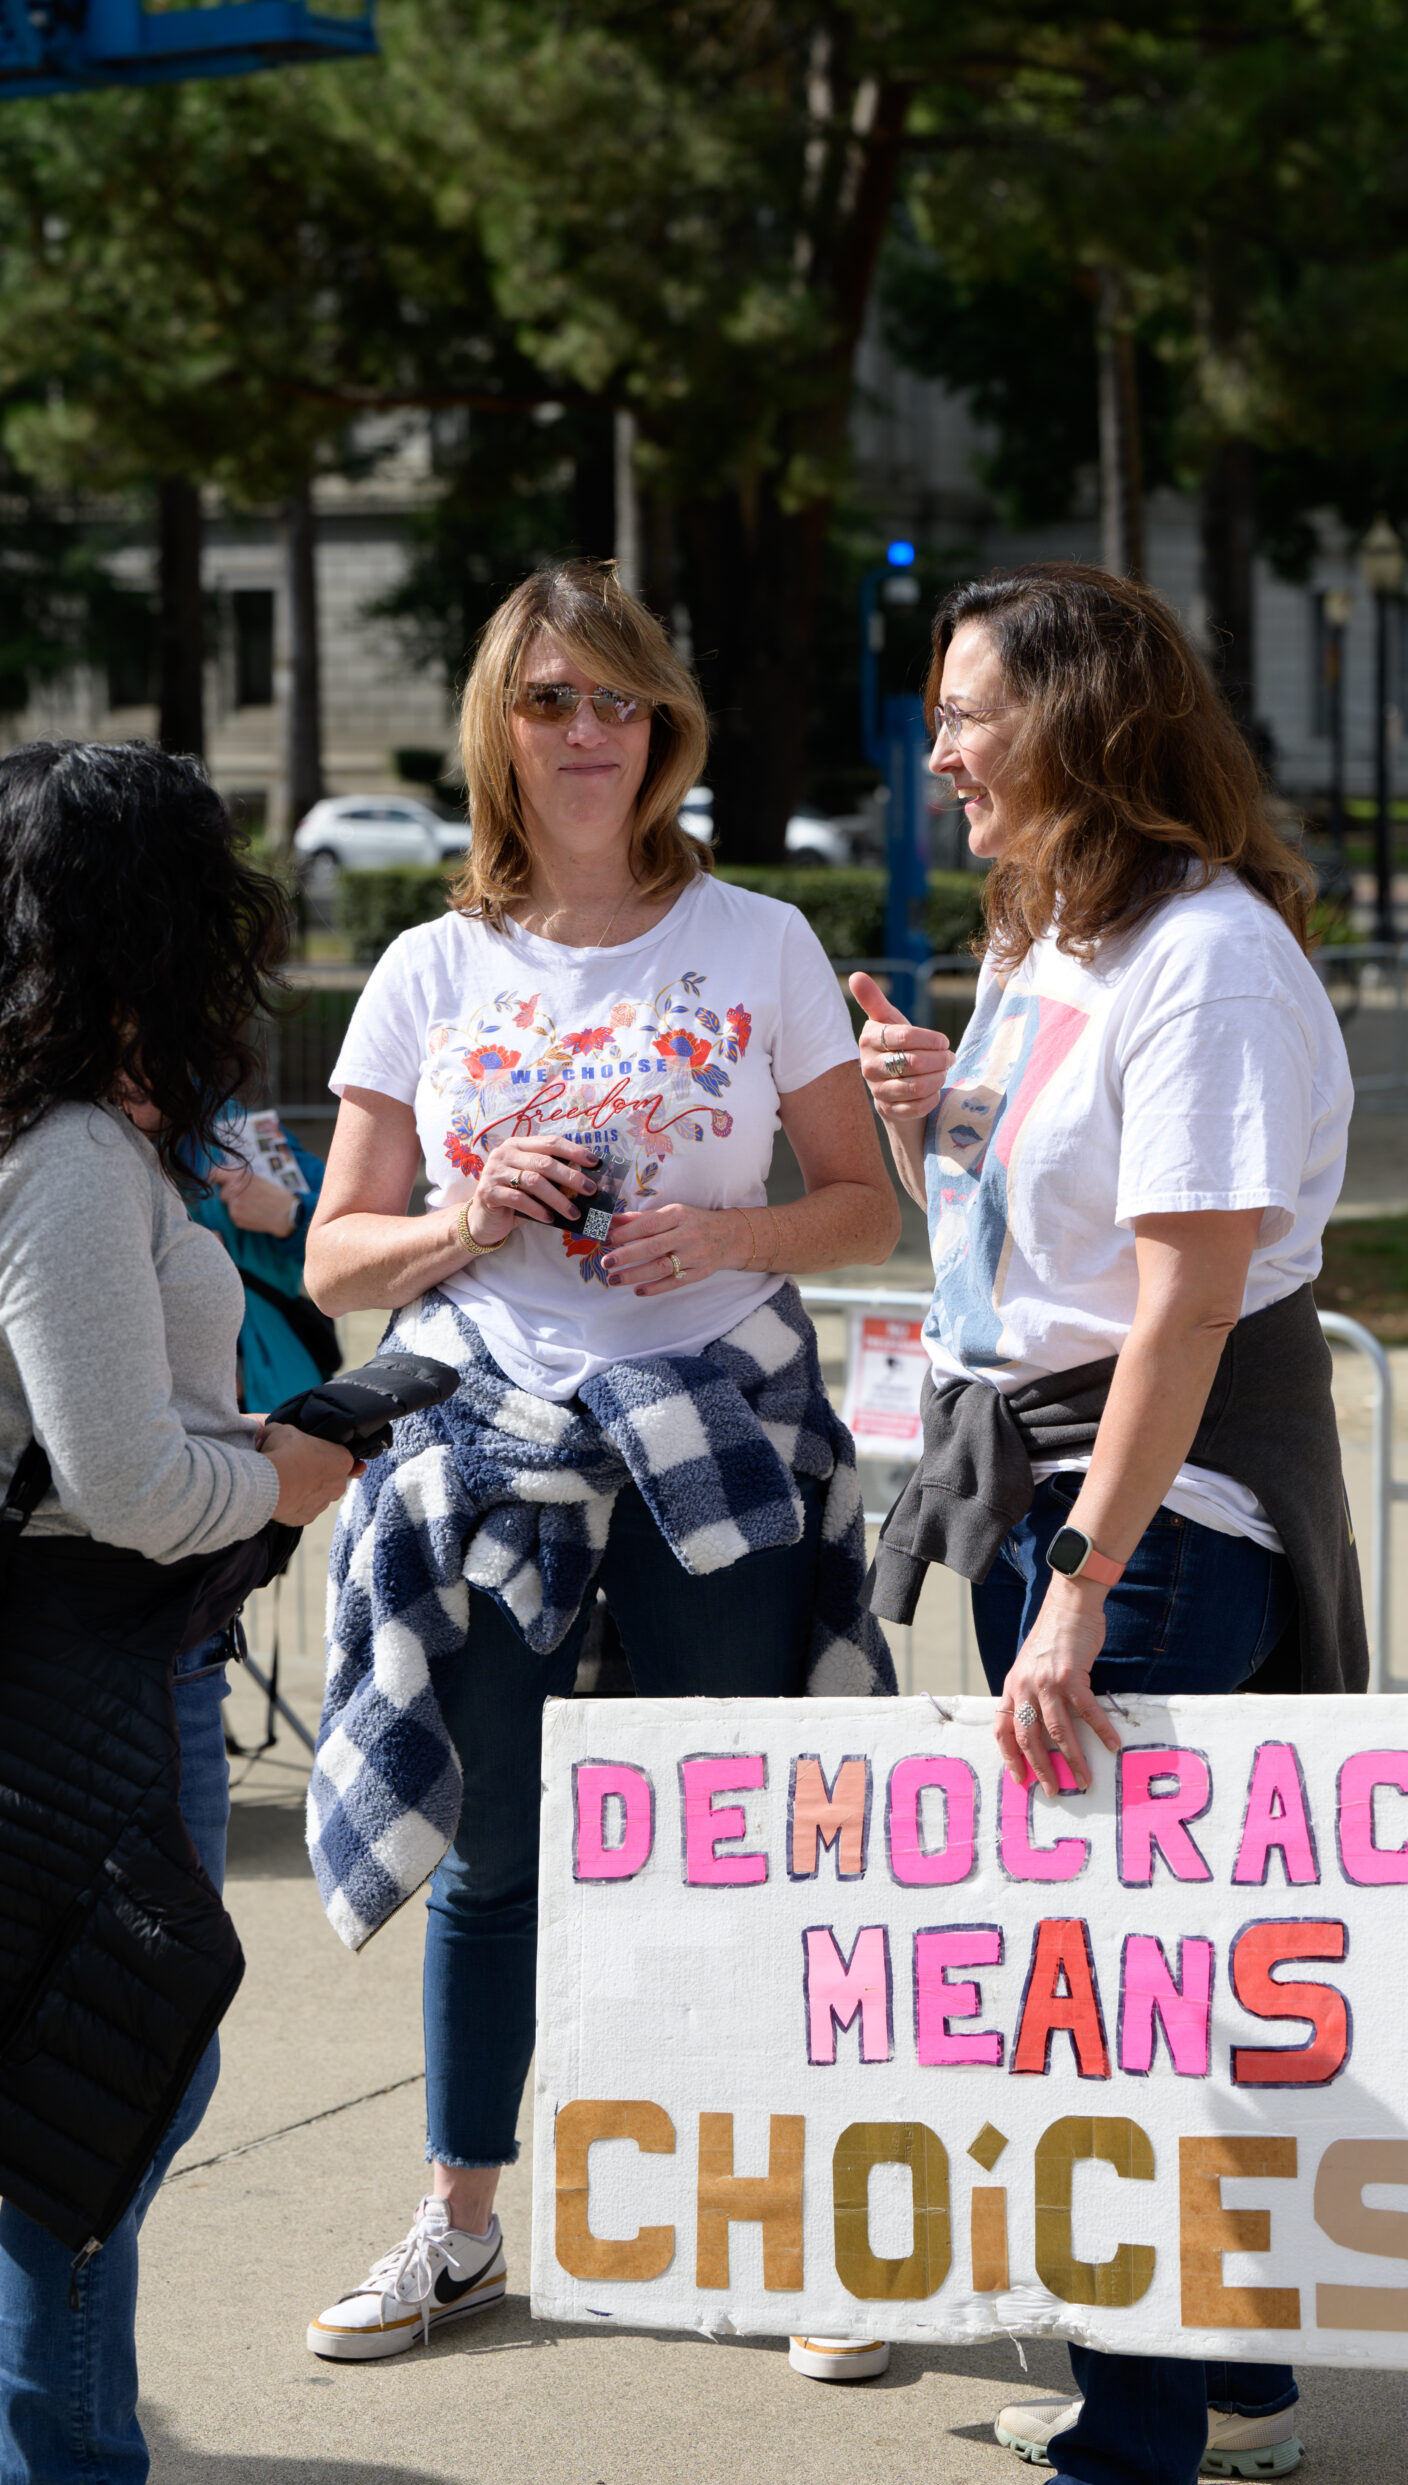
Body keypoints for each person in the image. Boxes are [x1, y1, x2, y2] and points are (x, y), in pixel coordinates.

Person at [300, 560, 899, 2363]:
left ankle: (786, 2232)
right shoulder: (429, 966)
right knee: (497, 1863)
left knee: (739, 1843)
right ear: (501, 724)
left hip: (714, 1435)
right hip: (492, 1452)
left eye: (618, 702)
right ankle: (462, 2226)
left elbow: (866, 1203)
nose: (585, 733)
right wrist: (466, 1217)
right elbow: (334, 1254)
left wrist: (722, 1242)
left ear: (664, 731)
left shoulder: (758, 942)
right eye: (552, 700)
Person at [854, 563, 1366, 2485]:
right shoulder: (1048, 934)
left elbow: (1174, 1309)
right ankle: (1212, 2383)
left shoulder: (1207, 956)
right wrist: (934, 1114)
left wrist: (1075, 1578)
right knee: (1136, 1991)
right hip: (1050, 1491)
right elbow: (1018, 1243)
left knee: (1118, 2011)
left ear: (1079, 723)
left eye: (965, 709)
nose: (938, 749)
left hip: (1149, 1522)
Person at [0, 740, 357, 2485]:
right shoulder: (64, 1156)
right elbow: (126, 1477)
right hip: (91, 1665)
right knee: (100, 2099)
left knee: (83, 2090)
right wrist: (290, 1469)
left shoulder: (94, 1132)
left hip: (103, 1659)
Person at [189, 1108, 338, 1407]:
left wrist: (293, 1214)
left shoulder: (235, 1127)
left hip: (279, 1386)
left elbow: (349, 1223)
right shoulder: (97, 1143)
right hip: (174, 1400)